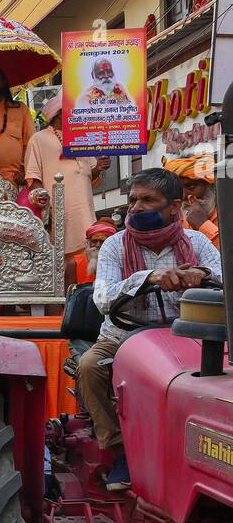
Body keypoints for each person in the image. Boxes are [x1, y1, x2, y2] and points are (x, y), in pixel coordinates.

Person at [79, 169, 221, 490]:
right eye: (133, 200)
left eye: (147, 200)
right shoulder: (114, 245)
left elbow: (224, 278)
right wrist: (148, 278)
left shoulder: (197, 242)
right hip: (123, 339)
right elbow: (102, 298)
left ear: (174, 206)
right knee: (89, 368)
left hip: (184, 339)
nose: (136, 208)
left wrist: (200, 273)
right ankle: (120, 452)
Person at [24, 92, 110, 263]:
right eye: (72, 111)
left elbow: (87, 174)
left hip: (84, 208)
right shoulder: (39, 139)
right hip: (58, 209)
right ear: (58, 114)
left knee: (89, 253)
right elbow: (33, 178)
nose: (77, 115)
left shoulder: (82, 136)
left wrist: (98, 168)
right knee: (63, 260)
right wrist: (43, 203)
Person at [164, 154, 218, 244]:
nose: (184, 196)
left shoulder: (228, 212)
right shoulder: (174, 218)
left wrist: (202, 224)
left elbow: (229, 253)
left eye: (191, 186)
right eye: (179, 189)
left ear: (210, 186)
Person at [74, 57, 139, 119]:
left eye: (109, 71)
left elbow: (131, 110)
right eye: (101, 73)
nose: (106, 76)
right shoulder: (87, 96)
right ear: (93, 75)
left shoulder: (120, 89)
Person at [72, 218, 117, 285]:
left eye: (102, 241)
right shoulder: (74, 262)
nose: (98, 245)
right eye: (94, 241)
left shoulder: (118, 261)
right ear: (88, 242)